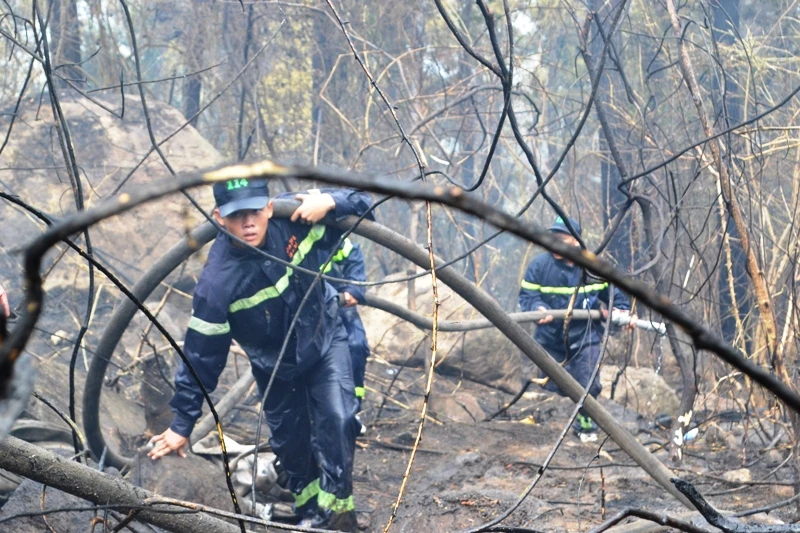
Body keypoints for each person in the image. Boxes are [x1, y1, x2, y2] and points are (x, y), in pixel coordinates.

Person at [147, 178, 372, 531]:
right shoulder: (216, 286)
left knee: (339, 417)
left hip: (325, 340)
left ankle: (338, 517)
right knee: (291, 445)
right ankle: (309, 513)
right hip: (276, 368)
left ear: (269, 207)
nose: (248, 223)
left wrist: (331, 201)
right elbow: (200, 358)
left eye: (254, 211)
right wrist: (182, 425)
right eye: (237, 216)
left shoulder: (295, 218)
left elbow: (364, 204)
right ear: (219, 218)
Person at [519, 216, 635, 441]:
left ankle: (585, 421)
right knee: (555, 385)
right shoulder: (539, 266)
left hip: (585, 335)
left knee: (588, 382)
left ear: (576, 241)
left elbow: (615, 297)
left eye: (561, 239)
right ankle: (558, 414)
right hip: (550, 338)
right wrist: (537, 308)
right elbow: (527, 297)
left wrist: (622, 313)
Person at [322, 238, 371, 434]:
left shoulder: (334, 237)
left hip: (339, 304)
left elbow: (354, 260)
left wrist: (352, 290)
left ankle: (352, 412)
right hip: (303, 310)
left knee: (357, 345)